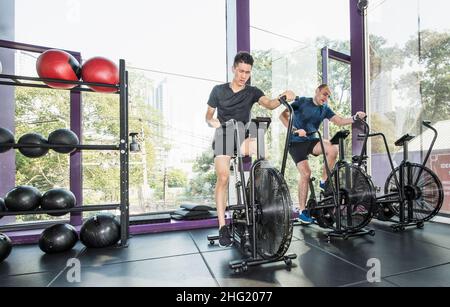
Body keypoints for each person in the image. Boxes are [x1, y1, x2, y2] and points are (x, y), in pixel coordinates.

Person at [205, 51, 295, 246]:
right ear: (233, 69)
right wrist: (212, 122)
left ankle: (257, 193)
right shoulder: (218, 90)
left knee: (262, 151)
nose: (244, 76)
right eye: (241, 71)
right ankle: (222, 226)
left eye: (247, 72)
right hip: (224, 134)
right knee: (223, 177)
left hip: (243, 135)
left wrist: (283, 97)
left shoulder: (252, 91)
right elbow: (208, 116)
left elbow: (270, 104)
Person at [279, 84, 366, 224]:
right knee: (306, 174)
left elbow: (339, 121)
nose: (326, 98)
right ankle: (302, 211)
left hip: (311, 140)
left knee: (333, 148)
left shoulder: (324, 109)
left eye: (328, 96)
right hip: (295, 142)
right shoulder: (302, 102)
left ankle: (324, 180)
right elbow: (282, 115)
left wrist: (355, 117)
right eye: (324, 94)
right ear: (317, 91)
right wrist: (294, 129)